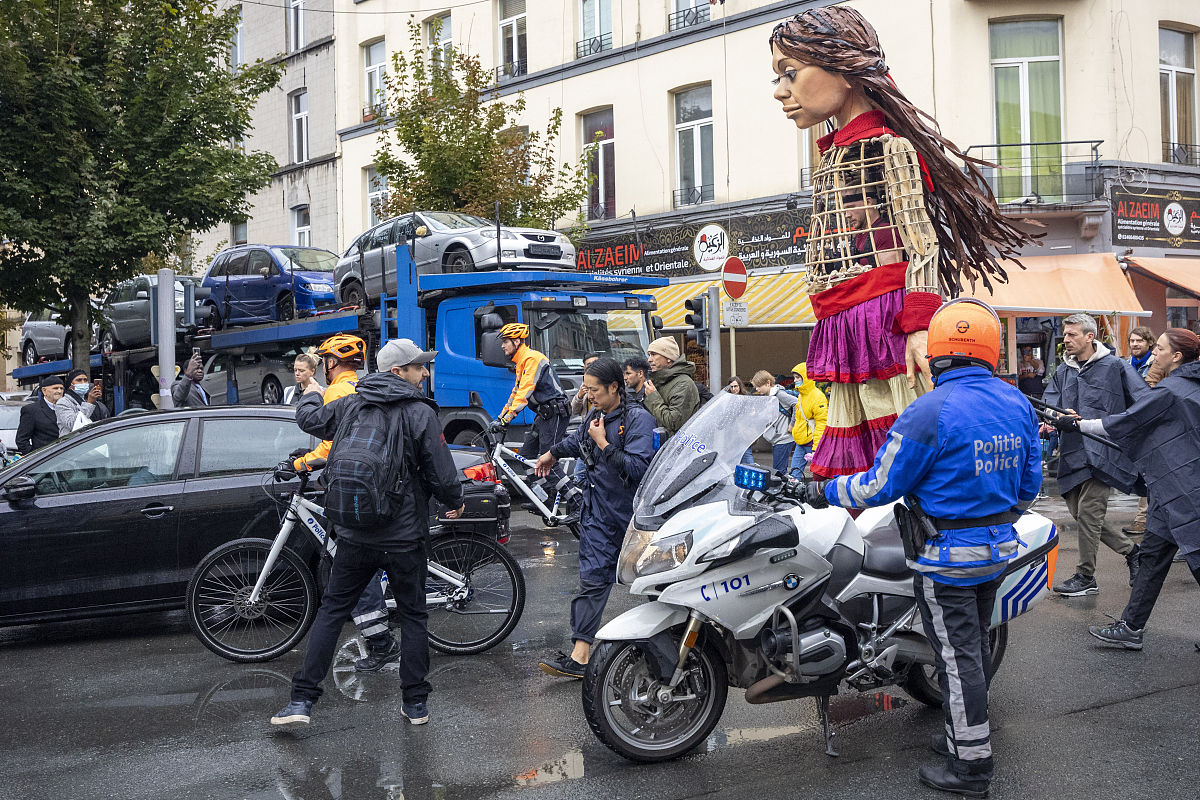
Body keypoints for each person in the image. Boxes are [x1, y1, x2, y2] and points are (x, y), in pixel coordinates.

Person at [769, 9, 1035, 483]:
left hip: (882, 317)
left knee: (903, 432)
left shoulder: (889, 148)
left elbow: (921, 242)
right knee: (862, 442)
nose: (780, 91)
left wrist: (917, 326)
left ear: (844, 69)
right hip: (845, 317)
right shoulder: (835, 153)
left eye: (791, 73)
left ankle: (931, 513)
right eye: (778, 77)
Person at [808, 298, 1041, 798]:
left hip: (945, 560)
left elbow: (879, 486)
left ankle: (971, 767)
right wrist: (994, 524)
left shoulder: (929, 410)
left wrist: (826, 489)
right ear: (990, 350)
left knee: (957, 660)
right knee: (974, 648)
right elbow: (1029, 486)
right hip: (996, 552)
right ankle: (961, 737)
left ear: (936, 353)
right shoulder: (1017, 403)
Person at [271, 338, 465, 727]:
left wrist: (311, 392)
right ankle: (415, 703)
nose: (424, 372)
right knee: (413, 615)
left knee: (332, 611)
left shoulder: (350, 403)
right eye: (418, 367)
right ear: (398, 372)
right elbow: (442, 473)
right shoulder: (419, 412)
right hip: (404, 536)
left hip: (354, 532)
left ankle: (301, 701)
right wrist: (454, 500)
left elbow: (310, 420)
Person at [1068, 329, 1200, 650]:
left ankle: (1130, 627)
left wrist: (1077, 425)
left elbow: (1128, 421)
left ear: (1176, 356)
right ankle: (1131, 628)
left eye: (1159, 349)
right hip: (1171, 491)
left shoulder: (1172, 390)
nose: (1154, 353)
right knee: (1152, 559)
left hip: (1184, 491)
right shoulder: (1190, 387)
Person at [533, 357, 655, 678]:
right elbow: (579, 440)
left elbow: (638, 468)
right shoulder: (595, 414)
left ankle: (672, 648)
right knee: (592, 580)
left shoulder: (639, 419)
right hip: (597, 514)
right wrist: (552, 453)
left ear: (614, 387)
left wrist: (603, 443)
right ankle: (581, 656)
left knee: (653, 583)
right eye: (586, 389)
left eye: (594, 390)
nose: (589, 395)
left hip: (630, 519)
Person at [290, 334, 402, 672]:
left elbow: (328, 445)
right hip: (376, 484)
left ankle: (380, 641)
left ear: (331, 363)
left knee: (352, 561)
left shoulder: (337, 391)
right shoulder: (361, 386)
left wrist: (301, 463)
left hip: (352, 488)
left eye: (325, 361)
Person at [1042, 313, 1147, 597]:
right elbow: (1050, 401)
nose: (1066, 340)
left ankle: (1085, 576)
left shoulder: (1115, 366)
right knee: (1081, 515)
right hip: (1072, 453)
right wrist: (1055, 416)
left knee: (1089, 514)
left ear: (1090, 336)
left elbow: (1143, 403)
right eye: (1065, 335)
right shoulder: (1064, 370)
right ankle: (1133, 552)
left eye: (1072, 334)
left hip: (1105, 452)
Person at [492, 323, 579, 515]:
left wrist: (506, 419)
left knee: (548, 461)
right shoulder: (521, 361)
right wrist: (500, 417)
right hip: (544, 415)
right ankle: (545, 499)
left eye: (505, 341)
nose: (502, 346)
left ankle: (577, 502)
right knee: (526, 458)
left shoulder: (532, 358)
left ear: (517, 341)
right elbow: (515, 393)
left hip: (555, 414)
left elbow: (525, 392)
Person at [1122, 327, 1155, 536]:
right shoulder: (1127, 365)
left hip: (1151, 424)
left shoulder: (1155, 363)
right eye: (1132, 341)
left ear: (1149, 343)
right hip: (1134, 425)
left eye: (1139, 341)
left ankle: (1143, 519)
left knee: (1149, 472)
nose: (1135, 344)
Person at [642, 336, 700, 437]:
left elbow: (674, 423)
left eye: (654, 354)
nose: (649, 360)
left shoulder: (683, 384)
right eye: (649, 355)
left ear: (668, 358)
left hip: (676, 445)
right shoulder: (661, 380)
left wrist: (653, 397)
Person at [751, 370, 798, 473]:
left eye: (759, 386)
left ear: (768, 383)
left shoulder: (779, 394)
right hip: (777, 439)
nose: (757, 389)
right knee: (779, 470)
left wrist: (792, 424)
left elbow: (796, 403)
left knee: (779, 471)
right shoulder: (768, 397)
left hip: (784, 438)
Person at [787, 363, 828, 479]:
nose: (795, 380)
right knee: (794, 475)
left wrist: (816, 447)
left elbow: (822, 423)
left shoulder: (817, 396)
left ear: (806, 377)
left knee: (818, 476)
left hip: (811, 442)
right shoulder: (801, 395)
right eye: (794, 377)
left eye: (798, 377)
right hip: (801, 441)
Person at [16, 377, 64, 454]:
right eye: (55, 388)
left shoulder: (67, 408)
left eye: (61, 388)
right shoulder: (31, 410)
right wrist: (35, 456)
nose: (59, 391)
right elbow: (21, 440)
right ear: (44, 390)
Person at [54, 369, 109, 435]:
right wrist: (89, 403)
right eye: (79, 380)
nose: (83, 383)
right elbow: (73, 424)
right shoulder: (63, 402)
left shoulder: (88, 398)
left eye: (85, 380)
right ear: (70, 384)